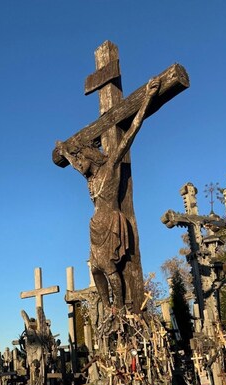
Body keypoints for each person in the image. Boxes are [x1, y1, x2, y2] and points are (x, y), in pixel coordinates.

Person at [56, 77, 160, 313]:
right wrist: (65, 152)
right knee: (95, 269)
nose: (79, 163)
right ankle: (108, 307)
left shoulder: (110, 167)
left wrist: (147, 98)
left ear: (90, 157)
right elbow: (74, 165)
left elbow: (130, 133)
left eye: (81, 159)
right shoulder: (90, 178)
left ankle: (120, 308)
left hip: (111, 220)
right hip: (96, 226)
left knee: (109, 267)